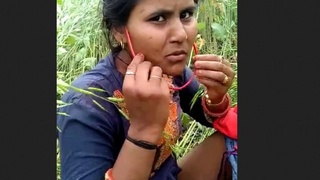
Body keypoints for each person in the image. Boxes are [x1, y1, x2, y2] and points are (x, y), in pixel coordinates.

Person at [57, 0, 236, 179]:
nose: (181, 34)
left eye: (186, 15)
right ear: (119, 30)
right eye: (158, 18)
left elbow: (210, 118)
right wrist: (144, 130)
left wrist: (216, 97)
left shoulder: (169, 70)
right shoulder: (86, 104)